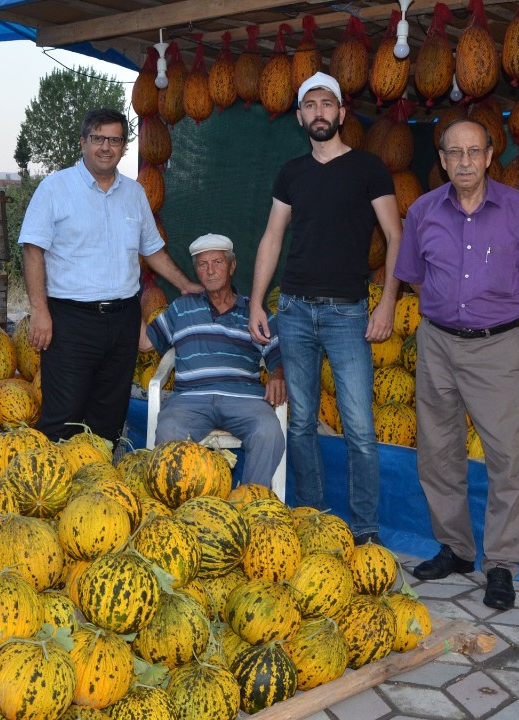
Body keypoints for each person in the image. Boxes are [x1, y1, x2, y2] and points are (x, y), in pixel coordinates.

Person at [395, 118, 519, 610]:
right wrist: (451, 318)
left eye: (474, 151)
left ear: (490, 156)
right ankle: (458, 549)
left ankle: (502, 564)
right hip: (438, 345)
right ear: (442, 160)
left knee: (504, 457)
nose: (464, 161)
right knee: (437, 450)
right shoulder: (423, 212)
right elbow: (417, 280)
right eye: (454, 153)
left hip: (497, 348)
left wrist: (500, 324)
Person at [248, 72, 402, 546]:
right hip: (293, 311)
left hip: (347, 314)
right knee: (300, 421)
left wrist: (388, 304)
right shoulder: (291, 172)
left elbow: (397, 237)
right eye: (310, 105)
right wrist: (257, 301)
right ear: (300, 117)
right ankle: (311, 522)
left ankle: (364, 532)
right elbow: (273, 237)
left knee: (359, 428)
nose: (319, 112)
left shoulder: (369, 168)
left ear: (341, 113)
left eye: (326, 104)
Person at [20, 108, 202, 444]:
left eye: (115, 140)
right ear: (83, 142)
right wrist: (40, 311)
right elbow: (33, 250)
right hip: (69, 321)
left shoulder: (134, 194)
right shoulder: (55, 189)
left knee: (109, 416)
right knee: (64, 416)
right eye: (98, 138)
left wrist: (185, 284)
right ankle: (51, 489)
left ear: (123, 146)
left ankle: (99, 488)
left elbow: (153, 251)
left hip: (122, 320)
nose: (106, 146)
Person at [140, 234, 287, 488]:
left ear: (232, 266)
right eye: (202, 264)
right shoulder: (181, 308)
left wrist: (277, 374)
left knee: (269, 432)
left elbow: (279, 355)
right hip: (190, 400)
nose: (210, 271)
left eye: (217, 262)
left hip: (243, 400)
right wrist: (125, 297)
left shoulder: (253, 311)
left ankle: (249, 504)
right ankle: (184, 509)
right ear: (195, 270)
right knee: (169, 430)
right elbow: (145, 343)